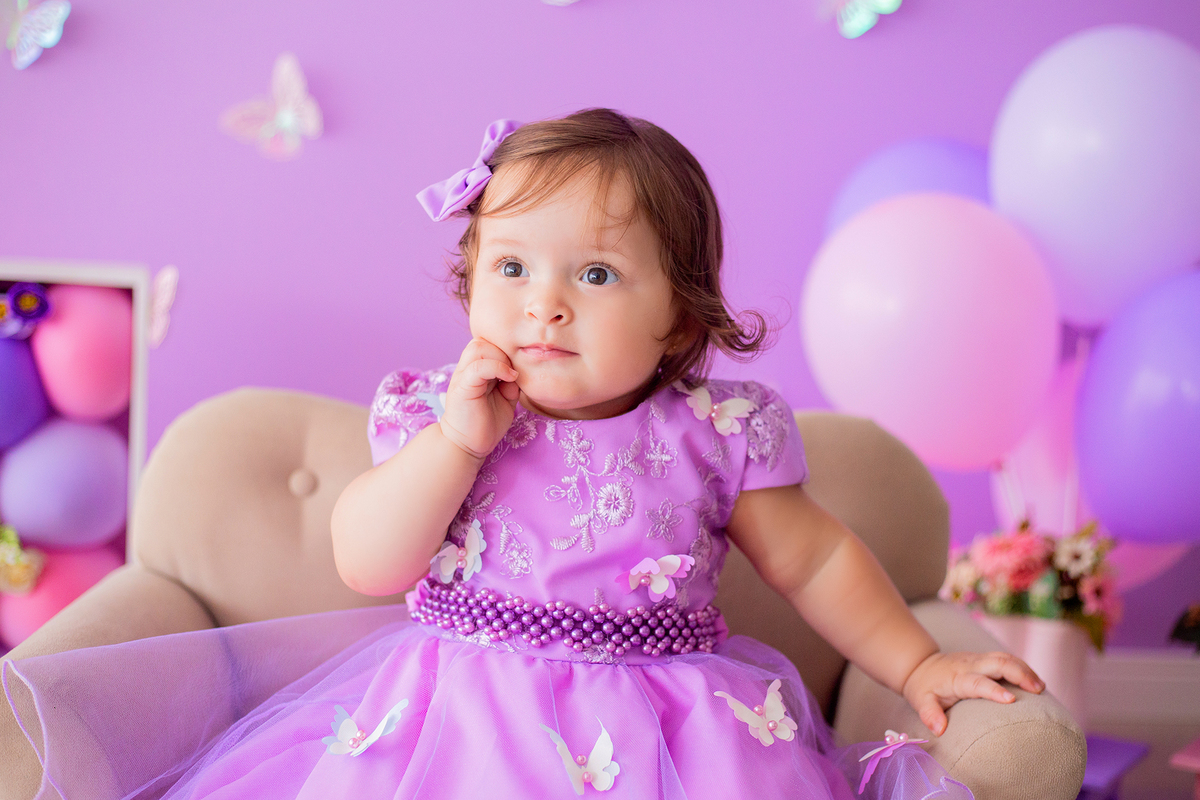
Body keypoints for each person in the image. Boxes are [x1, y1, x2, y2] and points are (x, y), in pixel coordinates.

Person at [6, 109, 1043, 800]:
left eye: (595, 273)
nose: (543, 299)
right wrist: (455, 448)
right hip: (461, 720)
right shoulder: (438, 413)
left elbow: (814, 560)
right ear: (469, 286)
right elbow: (368, 561)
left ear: (680, 322)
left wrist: (918, 660)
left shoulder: (716, 429)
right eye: (510, 265)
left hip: (673, 731)